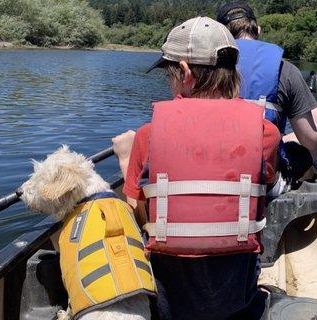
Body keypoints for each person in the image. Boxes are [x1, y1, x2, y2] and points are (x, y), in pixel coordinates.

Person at [113, 16, 280, 320]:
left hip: (170, 303)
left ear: (186, 73)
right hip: (236, 297)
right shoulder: (267, 133)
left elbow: (138, 214)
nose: (170, 83)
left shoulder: (148, 136)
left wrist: (126, 160)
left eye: (170, 76)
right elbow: (262, 199)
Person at [216, 3, 317, 184]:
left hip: (215, 170)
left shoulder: (209, 69)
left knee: (283, 138)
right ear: (258, 30)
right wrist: (314, 118)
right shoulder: (285, 70)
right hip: (264, 179)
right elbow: (311, 142)